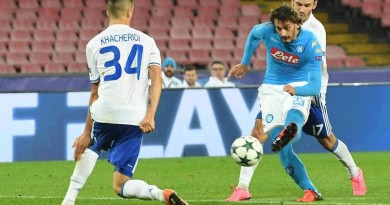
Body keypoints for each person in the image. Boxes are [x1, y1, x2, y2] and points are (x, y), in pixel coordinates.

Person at [226, 0, 366, 202]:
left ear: (314, 6)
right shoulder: (273, 26)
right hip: (276, 88)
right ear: (292, 3)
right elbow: (255, 34)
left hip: (310, 89)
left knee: (326, 140)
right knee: (259, 132)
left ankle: (354, 172)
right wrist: (245, 62)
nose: (302, 9)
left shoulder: (315, 33)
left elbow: (315, 74)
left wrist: (303, 91)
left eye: (307, 5)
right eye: (299, 4)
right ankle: (243, 187)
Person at [61, 1, 188, 205]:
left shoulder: (94, 44)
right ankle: (158, 194)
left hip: (105, 112)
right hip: (134, 119)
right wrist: (150, 114)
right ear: (130, 11)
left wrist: (86, 132)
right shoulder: (147, 41)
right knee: (120, 184)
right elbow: (156, 78)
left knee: (91, 146)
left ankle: (68, 200)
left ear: (107, 12)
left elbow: (95, 92)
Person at [227, 4, 324, 202]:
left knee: (293, 117)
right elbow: (254, 34)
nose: (282, 33)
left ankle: (290, 130)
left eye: (286, 27)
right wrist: (245, 62)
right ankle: (309, 190)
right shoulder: (267, 30)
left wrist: (297, 90)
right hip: (271, 88)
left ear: (298, 24)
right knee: (279, 146)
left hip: (298, 86)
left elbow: (315, 85)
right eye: (278, 28)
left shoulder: (310, 44)